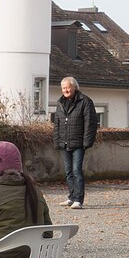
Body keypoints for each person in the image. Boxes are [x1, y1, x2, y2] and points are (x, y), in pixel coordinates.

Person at [53, 76, 98, 209]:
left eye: (68, 87)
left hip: (78, 142)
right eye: (63, 88)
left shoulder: (85, 101)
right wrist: (57, 141)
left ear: (74, 87)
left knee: (76, 170)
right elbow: (57, 124)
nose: (65, 90)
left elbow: (90, 123)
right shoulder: (60, 103)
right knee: (68, 172)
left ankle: (79, 199)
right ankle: (72, 197)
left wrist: (87, 142)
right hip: (64, 142)